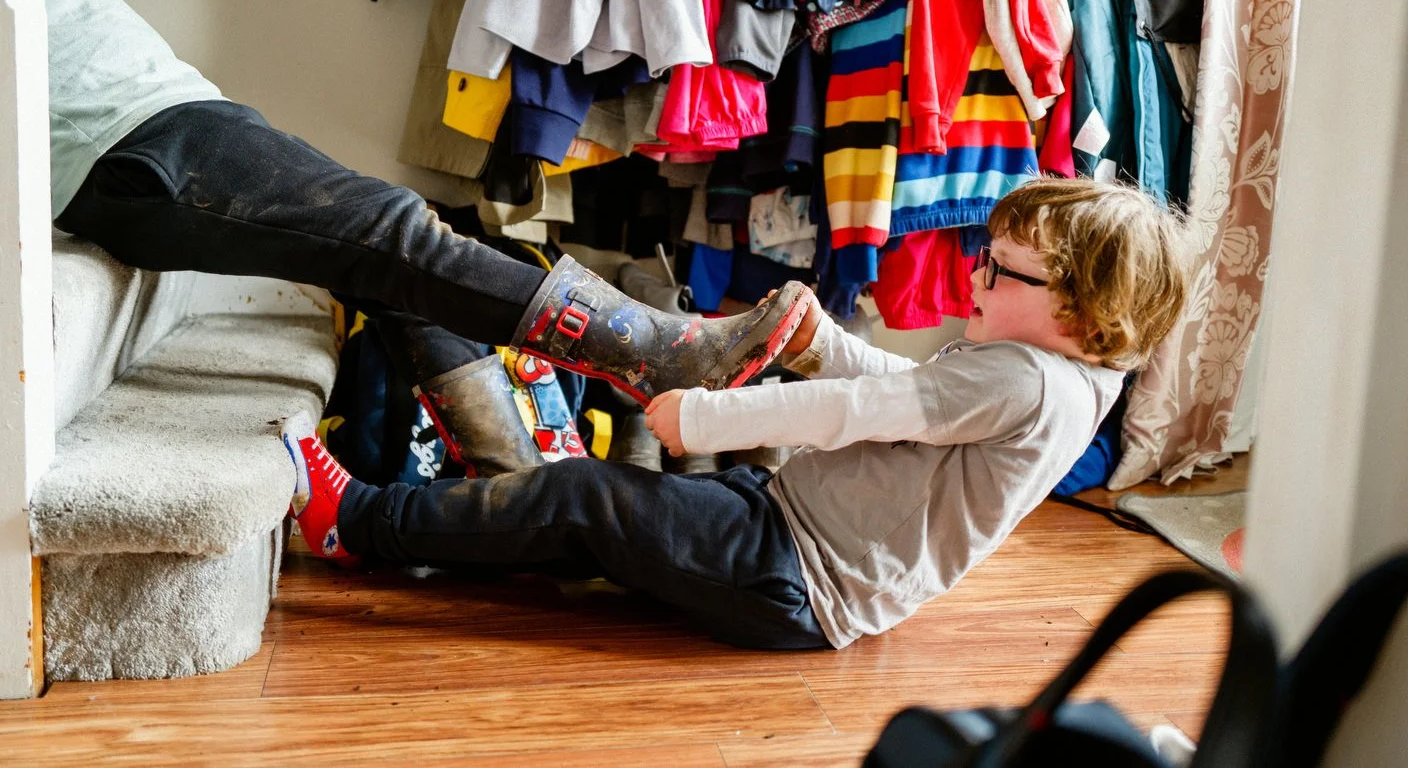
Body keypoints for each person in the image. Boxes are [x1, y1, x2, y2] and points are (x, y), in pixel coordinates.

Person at [0, 0, 813, 460]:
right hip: (129, 145)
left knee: (387, 251)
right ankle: (647, 352)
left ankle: (517, 482)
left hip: (169, 115)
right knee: (388, 233)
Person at [281, 178, 1188, 649]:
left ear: (1081, 311)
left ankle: (355, 523)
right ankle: (484, 533)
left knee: (592, 497)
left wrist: (708, 419)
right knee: (601, 512)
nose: (975, 276)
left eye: (1000, 269)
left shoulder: (1024, 380)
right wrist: (818, 340)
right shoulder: (1061, 378)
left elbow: (863, 410)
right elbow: (900, 399)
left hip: (794, 578)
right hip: (793, 537)